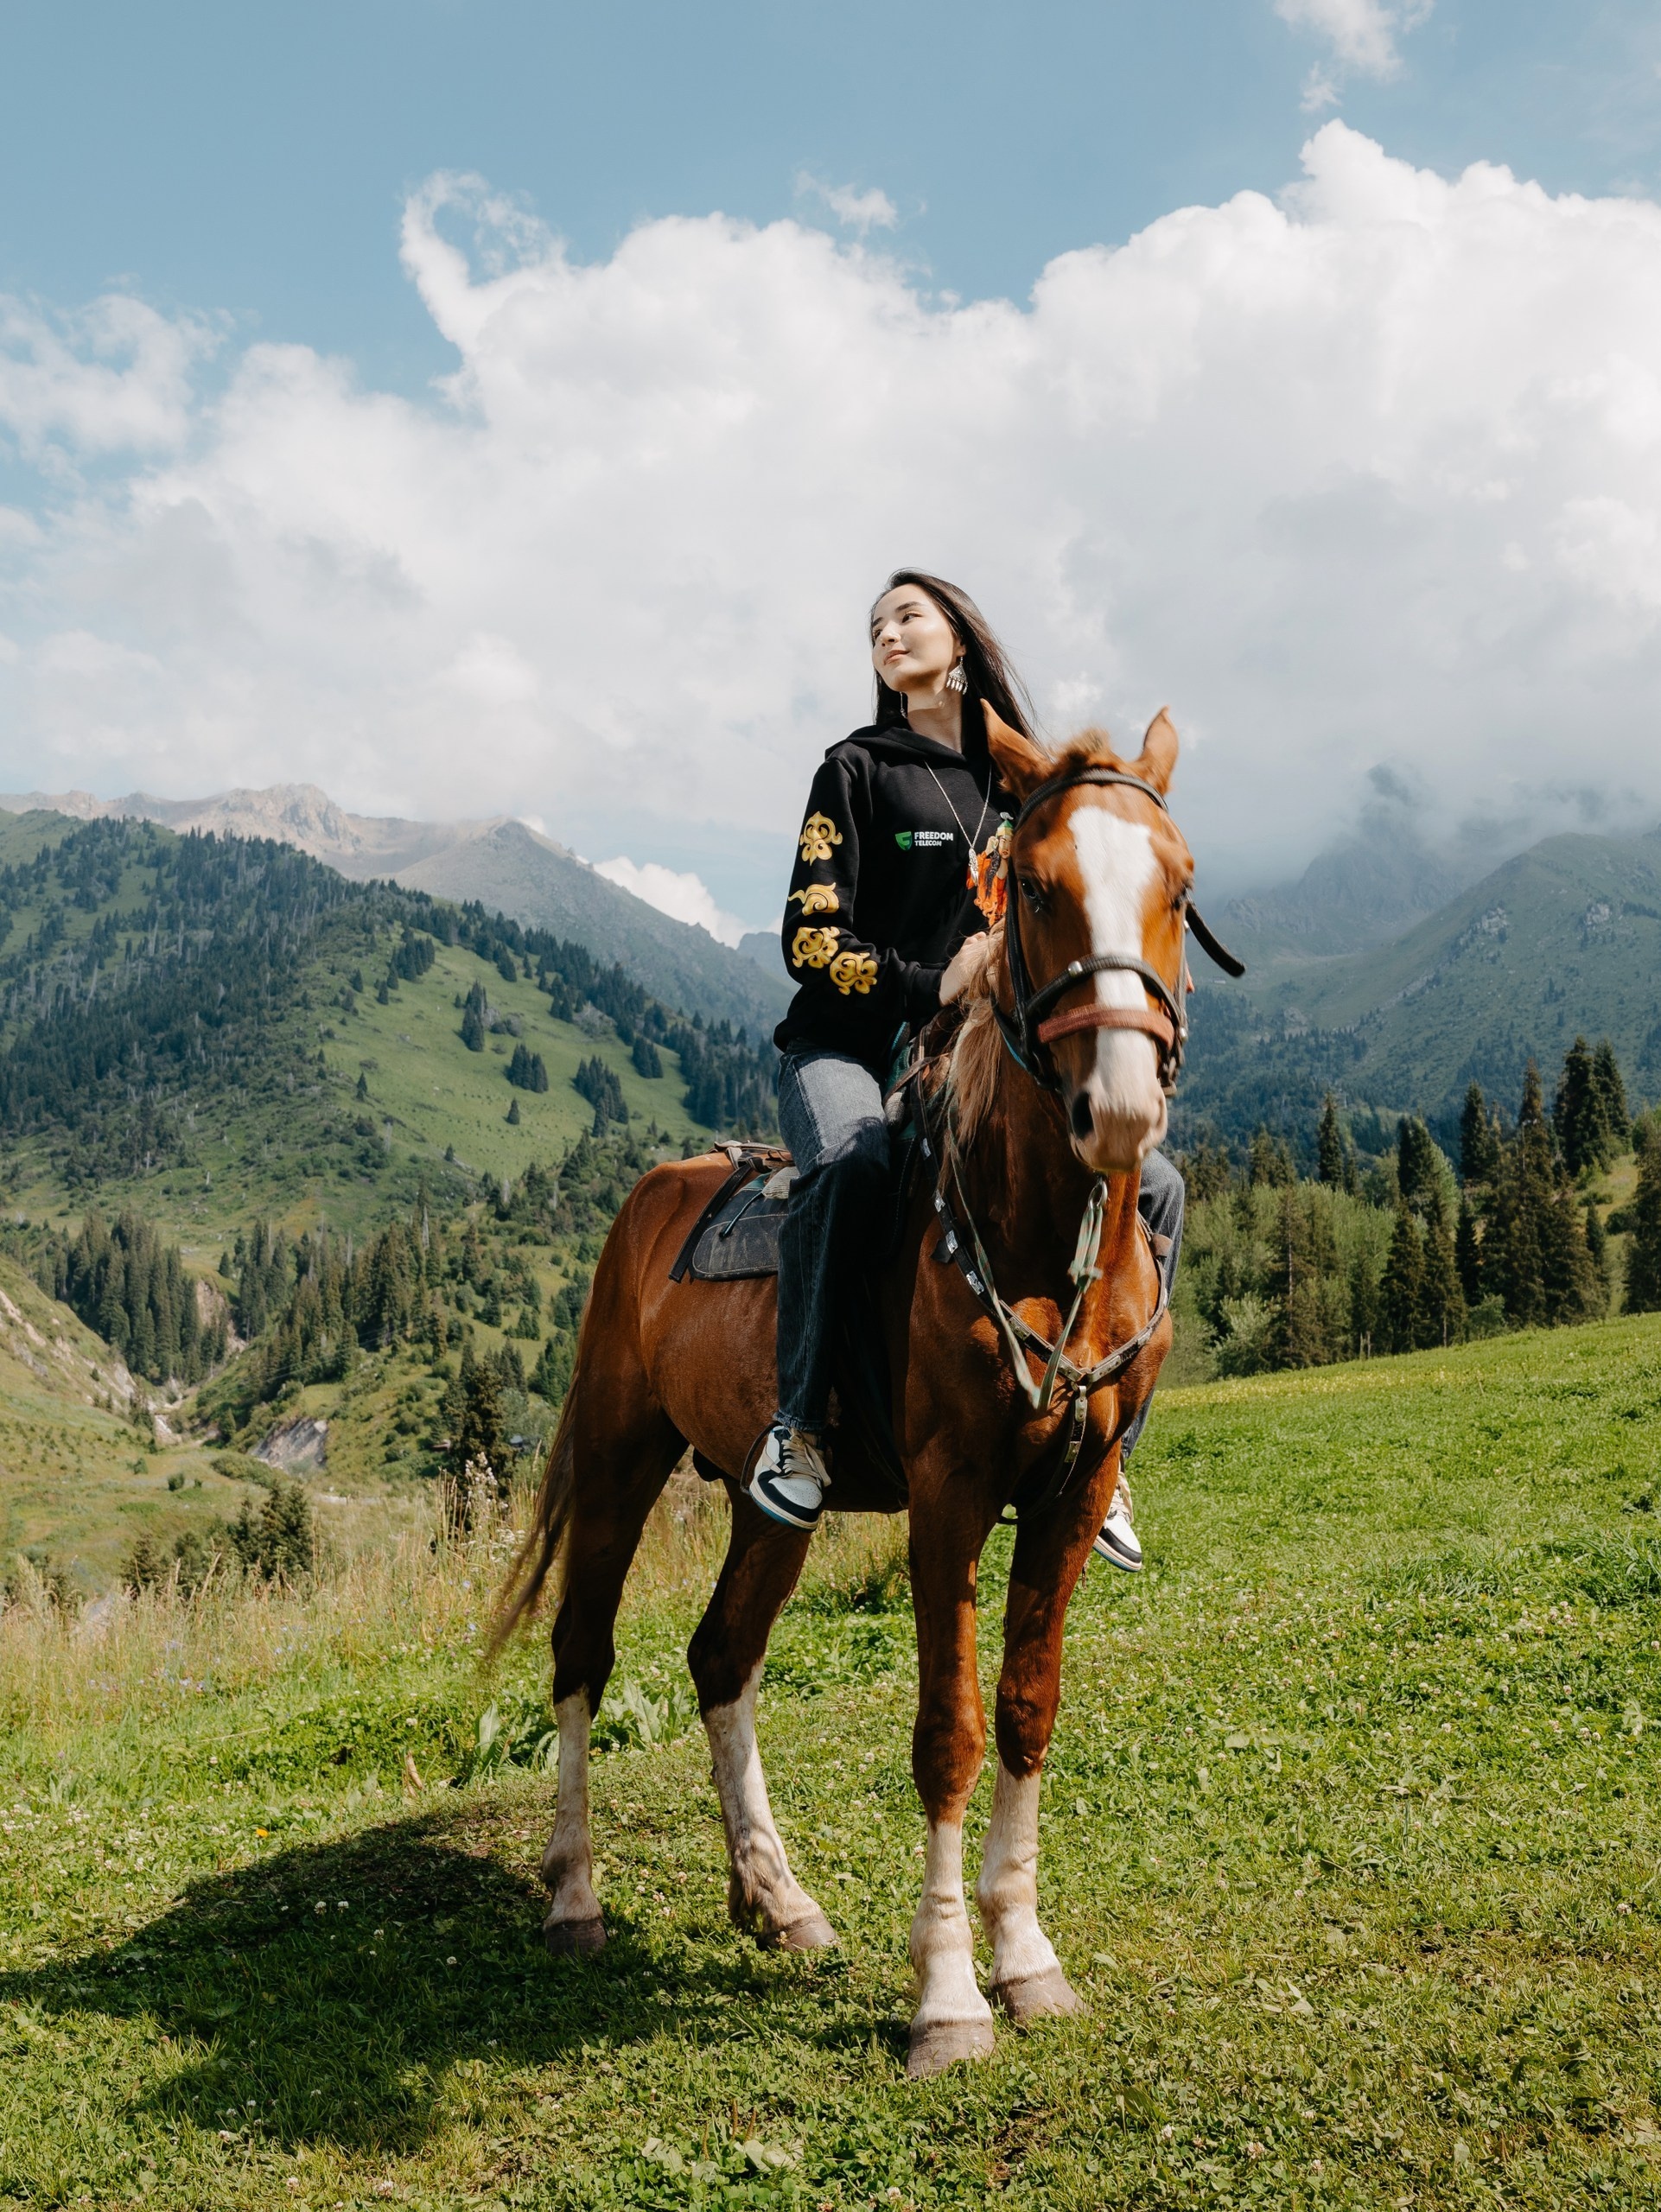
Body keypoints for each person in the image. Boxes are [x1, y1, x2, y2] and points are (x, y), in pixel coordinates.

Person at [746, 569, 1182, 1570]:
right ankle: (800, 1424)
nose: (886, 634)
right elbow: (807, 939)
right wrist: (928, 978)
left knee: (1153, 1183)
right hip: (846, 1046)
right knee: (853, 1165)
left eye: (907, 616)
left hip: (975, 1059)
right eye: (873, 627)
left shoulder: (1017, 788)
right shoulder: (853, 769)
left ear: (960, 638)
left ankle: (1107, 1459)